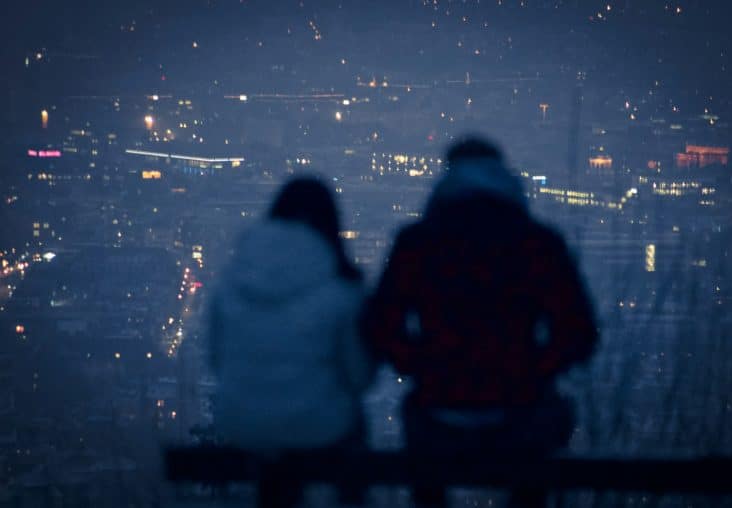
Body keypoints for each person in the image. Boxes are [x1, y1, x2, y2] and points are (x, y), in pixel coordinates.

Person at [363, 137, 598, 507]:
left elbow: (380, 326)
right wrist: (534, 371)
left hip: (437, 407)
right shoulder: (539, 243)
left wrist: (423, 365)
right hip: (522, 409)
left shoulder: (417, 242)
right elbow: (579, 332)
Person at [208, 177, 374, 506]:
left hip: (241, 424)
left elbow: (216, 361)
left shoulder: (231, 281)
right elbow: (358, 377)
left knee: (275, 455)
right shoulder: (341, 289)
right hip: (318, 426)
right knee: (352, 427)